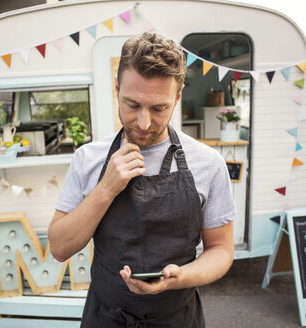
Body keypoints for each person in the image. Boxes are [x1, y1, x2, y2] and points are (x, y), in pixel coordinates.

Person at [48, 32, 236, 327]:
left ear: (177, 96)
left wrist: (180, 277)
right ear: (116, 88)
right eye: (132, 105)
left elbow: (221, 250)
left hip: (177, 318)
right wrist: (106, 189)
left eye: (159, 108)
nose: (144, 123)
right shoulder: (89, 159)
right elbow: (59, 247)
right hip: (105, 317)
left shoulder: (208, 164)